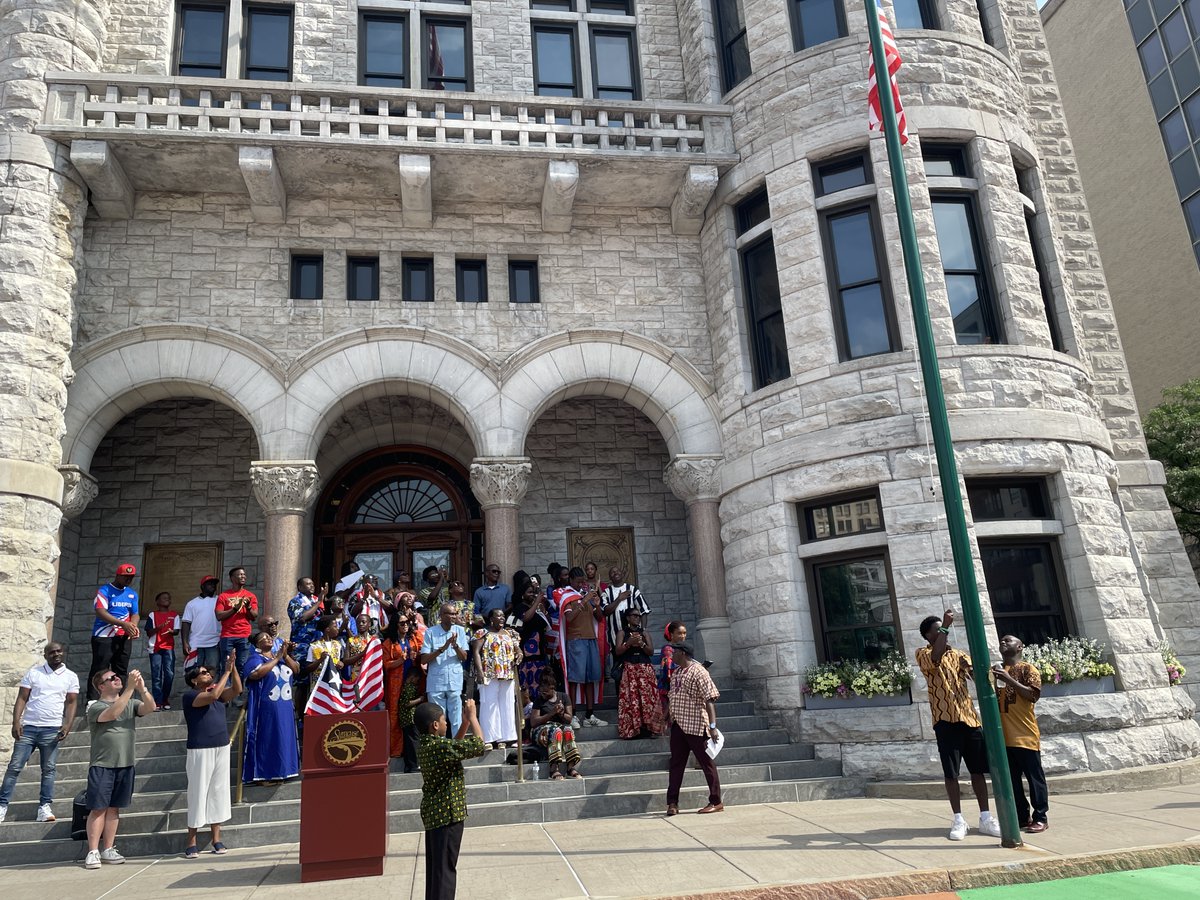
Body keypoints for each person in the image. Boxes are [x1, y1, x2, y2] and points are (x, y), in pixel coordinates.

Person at [916, 610, 1002, 841]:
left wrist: (989, 673)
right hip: (945, 721)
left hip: (968, 719)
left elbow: (978, 676)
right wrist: (945, 624)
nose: (943, 631)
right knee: (951, 773)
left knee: (977, 770)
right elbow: (935, 659)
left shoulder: (958, 655)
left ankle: (985, 817)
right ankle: (958, 819)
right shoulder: (923, 654)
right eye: (937, 629)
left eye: (943, 629)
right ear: (928, 635)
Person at [85, 666, 156, 868]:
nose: (117, 679)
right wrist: (129, 690)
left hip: (125, 764)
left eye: (118, 676)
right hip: (102, 765)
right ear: (101, 686)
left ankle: (108, 848)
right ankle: (92, 851)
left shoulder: (130, 702)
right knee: (98, 808)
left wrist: (141, 689)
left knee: (114, 808)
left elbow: (149, 707)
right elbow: (112, 714)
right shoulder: (95, 706)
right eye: (112, 678)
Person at [416, 698, 487, 900]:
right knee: (445, 872)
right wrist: (473, 717)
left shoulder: (427, 744)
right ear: (435, 726)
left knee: (437, 870)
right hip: (447, 815)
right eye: (444, 720)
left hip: (435, 815)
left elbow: (453, 747)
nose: (447, 723)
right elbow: (479, 745)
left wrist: (464, 723)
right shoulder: (438, 747)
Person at [0, 642, 79, 824]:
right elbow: (22, 697)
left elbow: (71, 702)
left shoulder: (70, 676)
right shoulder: (34, 673)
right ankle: (2, 806)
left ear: (63, 652)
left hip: (51, 729)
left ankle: (44, 807)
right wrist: (16, 721)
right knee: (14, 767)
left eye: (59, 651)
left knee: (49, 770)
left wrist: (67, 725)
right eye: (52, 652)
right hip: (28, 727)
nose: (56, 654)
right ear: (45, 655)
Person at [182, 652, 241, 857]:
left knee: (218, 791)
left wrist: (232, 669)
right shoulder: (191, 696)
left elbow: (237, 689)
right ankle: (192, 840)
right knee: (198, 792)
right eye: (203, 673)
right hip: (200, 749)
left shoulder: (217, 693)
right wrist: (225, 671)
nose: (208, 675)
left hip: (221, 746)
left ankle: (217, 838)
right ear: (194, 680)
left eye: (208, 672)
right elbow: (213, 696)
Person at [993, 634, 1049, 834]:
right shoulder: (996, 671)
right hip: (1003, 738)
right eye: (1001, 640)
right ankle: (1021, 816)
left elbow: (1033, 695)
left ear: (1020, 646)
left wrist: (1009, 680)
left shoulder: (1027, 669)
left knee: (1035, 778)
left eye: (1008, 640)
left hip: (1024, 734)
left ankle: (1041, 816)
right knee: (1013, 780)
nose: (1003, 642)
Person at [665, 640, 723, 815]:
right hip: (679, 725)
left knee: (706, 764)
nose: (671, 655)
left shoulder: (699, 672)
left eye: (674, 652)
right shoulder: (676, 673)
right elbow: (673, 696)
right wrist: (666, 716)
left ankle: (716, 801)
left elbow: (710, 700)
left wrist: (712, 727)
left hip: (697, 725)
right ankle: (672, 803)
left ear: (682, 653)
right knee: (676, 764)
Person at [241, 632, 300, 784]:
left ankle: (284, 771)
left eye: (269, 637)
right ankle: (263, 774)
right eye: (263, 638)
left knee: (284, 738)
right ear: (257, 644)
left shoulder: (280, 658)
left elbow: (296, 670)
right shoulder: (255, 658)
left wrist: (285, 655)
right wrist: (276, 658)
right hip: (266, 708)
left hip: (285, 707)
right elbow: (256, 674)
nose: (268, 639)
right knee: (267, 738)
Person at [556, 566, 607, 727]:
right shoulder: (566, 596)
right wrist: (583, 601)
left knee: (591, 678)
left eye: (582, 582)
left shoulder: (586, 595)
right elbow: (569, 618)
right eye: (578, 582)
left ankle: (590, 714)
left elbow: (599, 618)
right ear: (570, 580)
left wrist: (597, 604)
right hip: (576, 640)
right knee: (575, 679)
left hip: (591, 639)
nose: (581, 585)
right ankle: (573, 715)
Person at [88, 564, 140, 701]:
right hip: (104, 636)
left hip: (124, 637)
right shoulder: (104, 590)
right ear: (117, 575)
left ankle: (119, 702)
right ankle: (93, 702)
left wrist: (133, 626)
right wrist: (123, 623)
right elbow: (100, 612)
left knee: (121, 670)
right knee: (100, 669)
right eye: (125, 577)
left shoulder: (132, 594)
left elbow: (135, 613)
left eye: (131, 577)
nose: (128, 580)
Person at [473, 609, 523, 749]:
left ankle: (507, 738)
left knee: (507, 704)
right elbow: (476, 652)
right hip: (489, 673)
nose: (501, 618)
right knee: (489, 704)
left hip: (507, 673)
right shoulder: (483, 633)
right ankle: (489, 738)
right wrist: (479, 672)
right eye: (498, 616)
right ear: (491, 619)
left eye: (503, 616)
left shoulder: (509, 633)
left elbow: (517, 649)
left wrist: (519, 654)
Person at [614, 609, 665, 739]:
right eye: (634, 616)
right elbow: (618, 652)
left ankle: (652, 728)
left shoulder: (644, 633)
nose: (637, 618)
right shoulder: (622, 632)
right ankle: (632, 730)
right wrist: (628, 643)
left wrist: (641, 643)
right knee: (631, 700)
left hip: (644, 668)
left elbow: (651, 652)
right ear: (628, 618)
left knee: (649, 699)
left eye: (639, 616)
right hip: (629, 668)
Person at [420, 602, 470, 736]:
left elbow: (464, 657)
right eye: (450, 614)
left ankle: (457, 746)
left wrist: (455, 646)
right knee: (437, 718)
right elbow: (424, 659)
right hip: (436, 682)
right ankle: (440, 747)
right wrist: (443, 647)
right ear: (441, 615)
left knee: (456, 718)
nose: (454, 616)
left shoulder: (460, 631)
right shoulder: (431, 632)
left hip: (454, 680)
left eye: (455, 614)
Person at [600, 566, 650, 690]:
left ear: (622, 573)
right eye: (612, 572)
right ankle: (621, 703)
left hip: (635, 638)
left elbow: (644, 611)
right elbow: (605, 611)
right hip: (615, 638)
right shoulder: (607, 592)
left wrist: (642, 631)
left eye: (617, 571)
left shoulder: (632, 590)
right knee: (619, 671)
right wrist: (619, 598)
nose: (615, 573)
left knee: (637, 669)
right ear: (610, 577)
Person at [529, 668, 582, 780]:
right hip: (541, 731)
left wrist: (561, 713)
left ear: (552, 688)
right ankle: (554, 768)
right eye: (540, 689)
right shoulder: (539, 701)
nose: (542, 692)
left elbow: (569, 719)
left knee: (567, 730)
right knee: (555, 731)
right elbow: (533, 722)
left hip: (559, 727)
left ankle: (570, 767)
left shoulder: (564, 697)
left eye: (545, 691)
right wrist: (551, 713)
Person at [215, 566, 259, 696]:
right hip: (227, 636)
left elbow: (254, 616)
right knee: (226, 665)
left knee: (241, 665)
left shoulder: (250, 596)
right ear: (232, 578)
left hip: (244, 635)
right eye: (240, 575)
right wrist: (235, 609)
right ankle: (226, 693)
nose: (243, 577)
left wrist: (248, 607)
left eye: (244, 575)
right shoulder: (224, 596)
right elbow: (219, 616)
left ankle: (238, 693)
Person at [508, 577, 551, 703]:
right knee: (528, 686)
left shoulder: (537, 607)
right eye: (529, 592)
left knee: (541, 684)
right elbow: (525, 618)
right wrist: (537, 601)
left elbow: (547, 624)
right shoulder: (520, 607)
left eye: (533, 592)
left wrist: (544, 611)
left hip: (540, 653)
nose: (532, 595)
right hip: (527, 655)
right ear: (523, 595)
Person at [145, 592, 180, 710]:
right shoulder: (152, 615)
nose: (167, 600)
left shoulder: (174, 615)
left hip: (168, 648)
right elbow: (149, 633)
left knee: (169, 674)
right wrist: (158, 628)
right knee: (156, 675)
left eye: (169, 598)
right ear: (157, 601)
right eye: (164, 598)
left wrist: (171, 631)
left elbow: (176, 631)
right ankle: (158, 701)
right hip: (155, 648)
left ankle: (165, 698)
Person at [182, 576, 222, 673]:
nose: (212, 585)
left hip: (215, 642)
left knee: (212, 672)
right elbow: (186, 623)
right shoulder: (192, 604)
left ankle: (212, 689)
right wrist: (185, 642)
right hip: (195, 643)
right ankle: (196, 689)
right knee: (194, 672)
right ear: (202, 586)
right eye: (209, 583)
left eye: (214, 584)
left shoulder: (220, 601)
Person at [382, 615, 409, 758]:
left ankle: (410, 749)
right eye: (402, 623)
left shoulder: (413, 639)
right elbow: (386, 664)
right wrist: (399, 661)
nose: (406, 625)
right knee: (394, 716)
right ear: (395, 625)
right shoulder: (388, 643)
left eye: (407, 622)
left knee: (410, 716)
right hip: (395, 683)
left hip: (412, 681)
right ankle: (396, 750)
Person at [398, 666, 426, 774]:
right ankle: (415, 765)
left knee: (408, 743)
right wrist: (420, 699)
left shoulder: (404, 687)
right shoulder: (410, 688)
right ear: (412, 677)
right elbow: (407, 703)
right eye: (416, 679)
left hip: (404, 719)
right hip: (410, 718)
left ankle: (409, 766)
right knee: (414, 742)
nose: (417, 682)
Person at [658, 621, 687, 714]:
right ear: (671, 634)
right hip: (670, 689)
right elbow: (669, 669)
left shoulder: (684, 648)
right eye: (679, 633)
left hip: (682, 687)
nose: (682, 636)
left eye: (684, 633)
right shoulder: (668, 649)